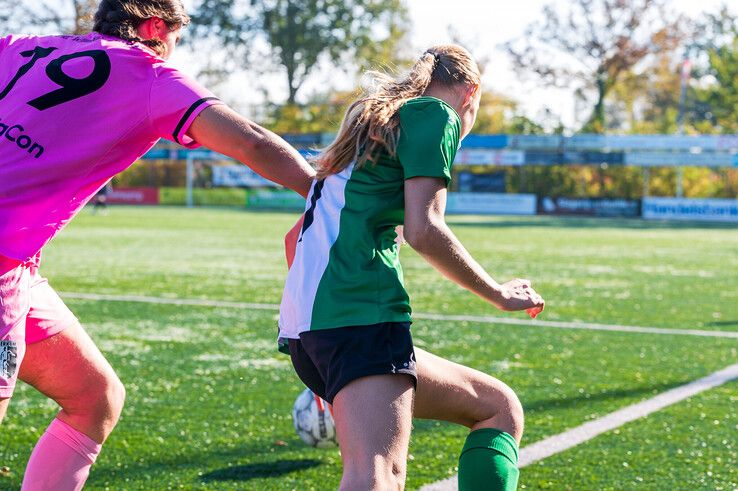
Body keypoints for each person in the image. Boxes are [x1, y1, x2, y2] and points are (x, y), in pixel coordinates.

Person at [0, 1, 315, 489]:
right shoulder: (149, 74)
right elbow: (249, 140)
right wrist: (327, 193)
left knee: (94, 396)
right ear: (156, 27)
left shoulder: (22, 46)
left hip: (16, 266)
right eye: (176, 39)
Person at [279, 45, 545, 490]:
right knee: (378, 477)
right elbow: (424, 229)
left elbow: (295, 240)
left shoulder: (370, 122)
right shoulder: (435, 115)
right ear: (471, 93)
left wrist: (319, 341)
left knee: (498, 407)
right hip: (358, 322)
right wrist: (499, 293)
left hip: (311, 333)